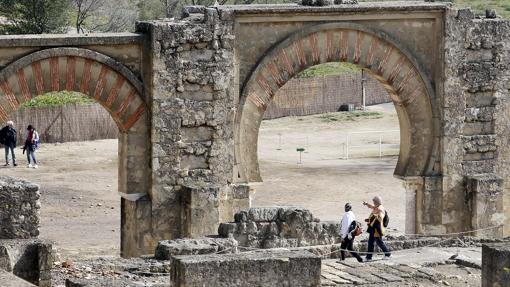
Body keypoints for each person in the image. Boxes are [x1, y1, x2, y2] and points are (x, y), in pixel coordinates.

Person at [363, 195, 391, 262]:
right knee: (370, 242)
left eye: (374, 201)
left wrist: (369, 205)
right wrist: (369, 219)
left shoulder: (380, 208)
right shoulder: (377, 207)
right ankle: (369, 257)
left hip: (377, 229)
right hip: (373, 228)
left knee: (379, 242)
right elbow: (373, 210)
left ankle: (387, 254)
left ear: (377, 201)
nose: (374, 203)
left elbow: (379, 216)